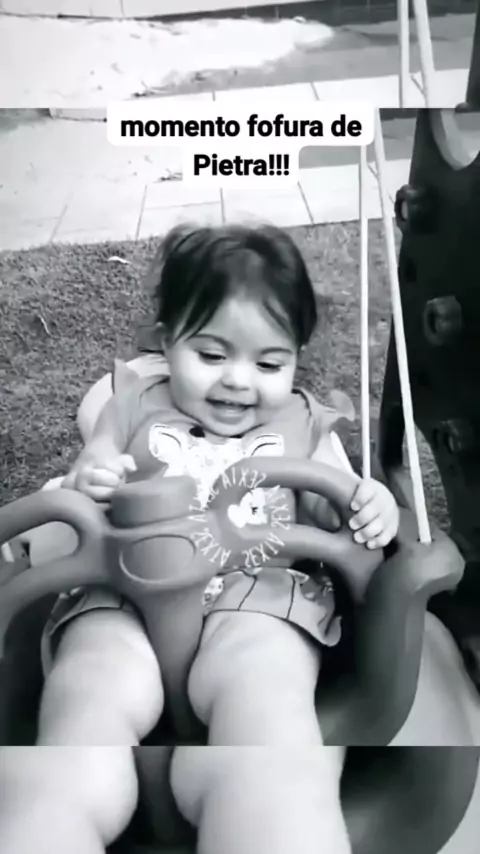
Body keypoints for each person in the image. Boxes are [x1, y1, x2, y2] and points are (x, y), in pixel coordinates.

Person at [4, 223, 399, 854]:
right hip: (124, 593)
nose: (239, 381)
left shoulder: (305, 423)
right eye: (212, 356)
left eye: (269, 363)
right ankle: (59, 804)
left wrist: (370, 505)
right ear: (168, 342)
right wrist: (94, 474)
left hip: (256, 600)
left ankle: (263, 797)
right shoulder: (133, 403)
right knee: (86, 700)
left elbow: (339, 508)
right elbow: (92, 466)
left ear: (296, 356)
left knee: (268, 712)